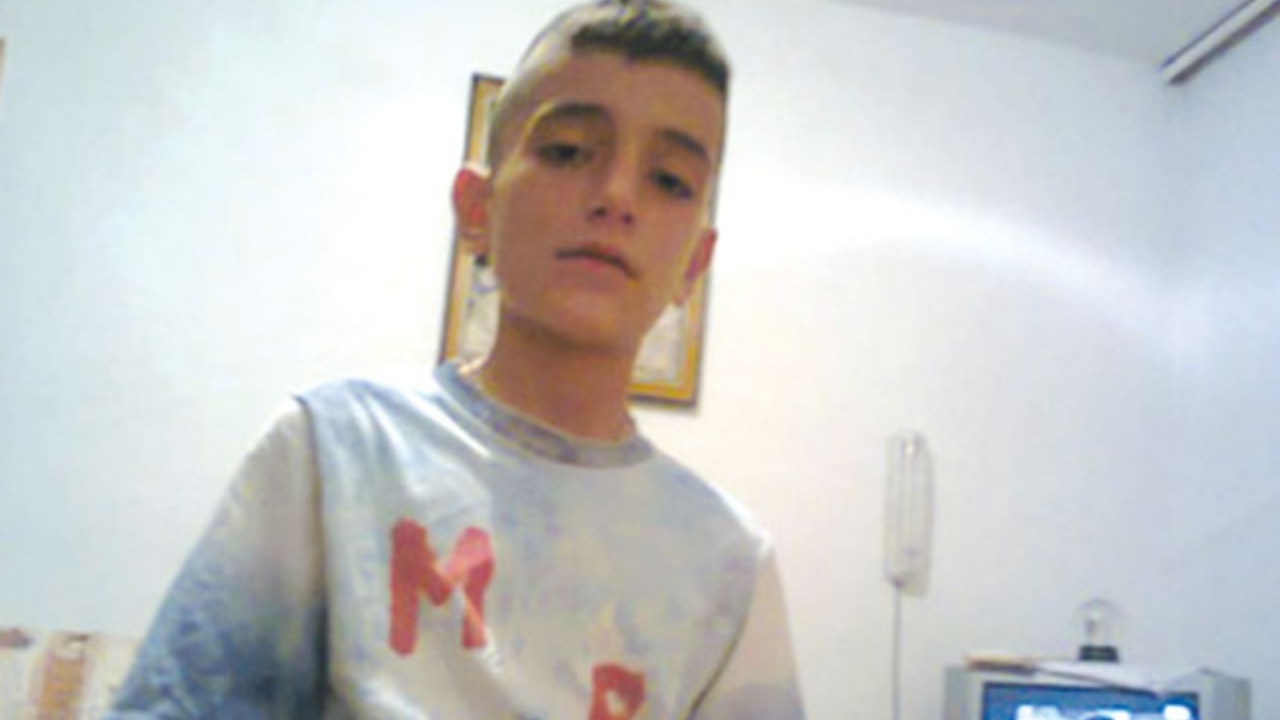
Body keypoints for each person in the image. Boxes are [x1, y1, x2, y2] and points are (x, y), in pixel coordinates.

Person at [107, 1, 806, 718]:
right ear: (476, 207)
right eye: (569, 151)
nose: (617, 196)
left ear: (694, 263)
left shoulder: (728, 562)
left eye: (670, 181)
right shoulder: (334, 449)